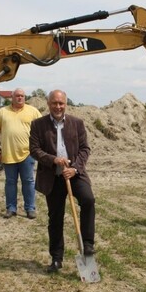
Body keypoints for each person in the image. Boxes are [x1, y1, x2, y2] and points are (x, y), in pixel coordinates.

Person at [29, 89, 95, 273]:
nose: (58, 106)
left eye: (61, 103)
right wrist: (53, 159)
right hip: (53, 177)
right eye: (54, 103)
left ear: (66, 104)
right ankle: (56, 258)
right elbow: (34, 150)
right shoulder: (38, 125)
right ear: (48, 104)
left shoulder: (77, 123)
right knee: (55, 217)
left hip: (74, 173)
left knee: (88, 200)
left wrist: (75, 169)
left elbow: (85, 149)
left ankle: (88, 245)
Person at [0, 88, 43, 219]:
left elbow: (43, 129)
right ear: (12, 97)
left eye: (22, 96)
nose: (20, 98)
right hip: (8, 154)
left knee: (28, 181)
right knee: (10, 182)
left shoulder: (33, 111)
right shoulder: (3, 112)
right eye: (18, 96)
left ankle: (30, 208)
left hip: (27, 154)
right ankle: (11, 208)